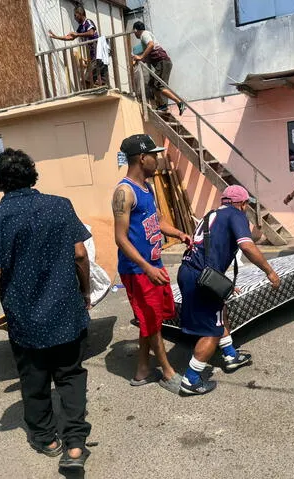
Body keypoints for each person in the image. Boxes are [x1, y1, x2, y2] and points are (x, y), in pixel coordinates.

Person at [0, 149, 93, 470]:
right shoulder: (60, 206)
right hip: (66, 310)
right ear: (33, 174)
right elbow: (79, 255)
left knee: (33, 378)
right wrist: (85, 291)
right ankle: (75, 445)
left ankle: (46, 438)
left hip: (25, 317)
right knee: (71, 374)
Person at [177, 185, 281, 395]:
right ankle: (191, 379)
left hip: (188, 271)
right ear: (241, 204)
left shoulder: (211, 215)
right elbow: (247, 246)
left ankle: (230, 355)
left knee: (220, 309)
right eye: (246, 204)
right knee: (211, 331)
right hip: (201, 277)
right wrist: (270, 271)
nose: (246, 208)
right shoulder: (236, 215)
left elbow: (210, 250)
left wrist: (223, 283)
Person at [112, 134, 192, 394]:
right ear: (142, 158)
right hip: (137, 270)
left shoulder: (147, 187)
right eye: (154, 155)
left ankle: (142, 369)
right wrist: (146, 267)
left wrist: (178, 233)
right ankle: (167, 373)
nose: (157, 160)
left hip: (153, 265)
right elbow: (120, 239)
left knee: (151, 319)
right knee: (151, 320)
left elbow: (157, 221)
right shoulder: (124, 192)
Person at [132, 21, 186, 115]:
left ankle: (179, 102)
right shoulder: (144, 37)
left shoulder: (144, 34)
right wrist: (139, 60)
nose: (134, 33)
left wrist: (140, 57)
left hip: (162, 62)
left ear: (136, 30)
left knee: (159, 86)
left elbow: (151, 45)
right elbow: (148, 56)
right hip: (161, 63)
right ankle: (162, 105)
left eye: (134, 31)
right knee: (152, 84)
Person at [48, 6, 107, 87]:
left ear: (81, 14)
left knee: (87, 80)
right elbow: (71, 37)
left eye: (75, 15)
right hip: (93, 55)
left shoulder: (88, 22)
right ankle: (97, 92)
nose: (75, 18)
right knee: (91, 80)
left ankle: (94, 94)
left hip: (98, 53)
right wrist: (56, 37)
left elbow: (91, 33)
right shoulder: (81, 26)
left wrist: (77, 34)